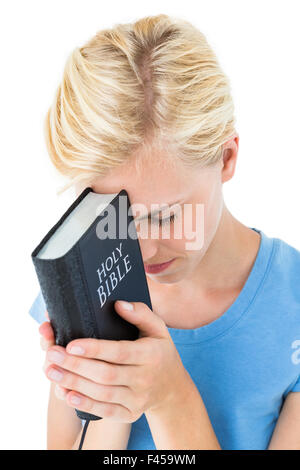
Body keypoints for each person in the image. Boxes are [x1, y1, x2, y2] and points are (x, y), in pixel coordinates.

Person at [29, 14, 300, 450]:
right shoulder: (84, 280)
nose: (143, 247)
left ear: (227, 158)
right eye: (114, 217)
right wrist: (112, 392)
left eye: (166, 215)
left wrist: (169, 397)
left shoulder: (293, 303)